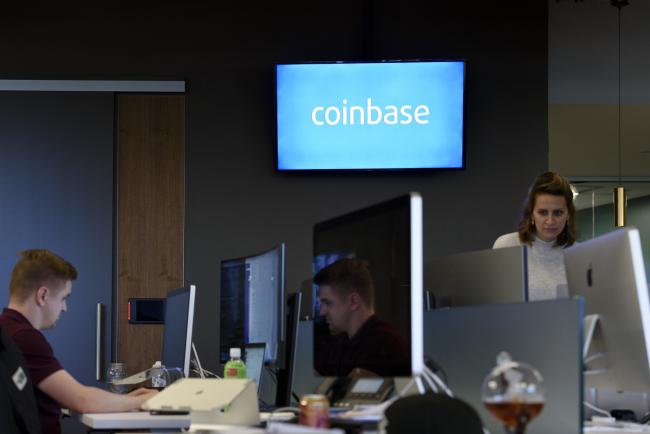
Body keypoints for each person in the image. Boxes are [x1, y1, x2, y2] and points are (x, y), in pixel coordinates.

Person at [0, 250, 157, 434]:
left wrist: (128, 400)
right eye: (64, 298)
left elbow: (76, 395)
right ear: (42, 295)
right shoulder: (24, 338)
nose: (64, 308)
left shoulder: (7, 329)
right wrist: (142, 401)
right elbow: (83, 400)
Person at [313, 258, 409, 377]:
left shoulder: (383, 346)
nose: (322, 312)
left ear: (354, 301)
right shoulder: (341, 342)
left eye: (327, 303)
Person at [493, 172, 577, 301]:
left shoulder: (578, 253)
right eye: (543, 212)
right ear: (531, 214)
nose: (550, 221)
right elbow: (493, 302)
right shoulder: (507, 246)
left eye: (558, 213)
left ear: (568, 214)